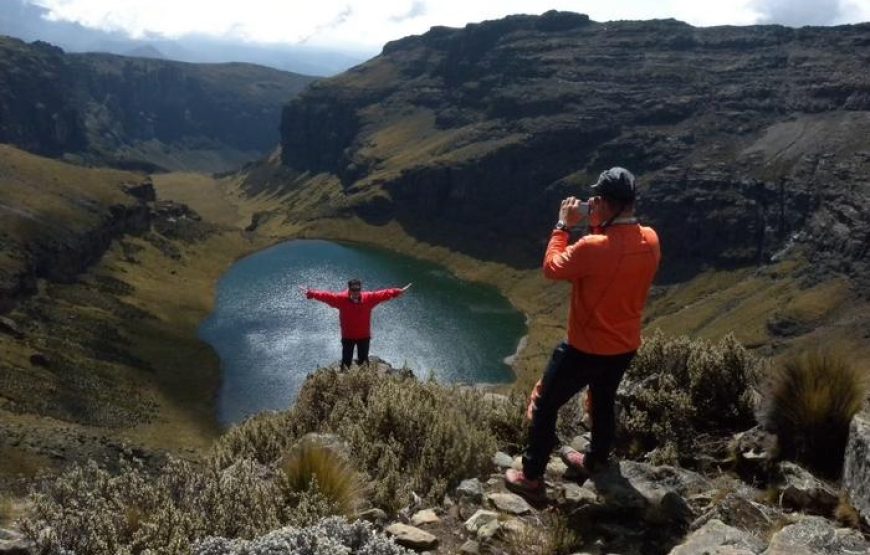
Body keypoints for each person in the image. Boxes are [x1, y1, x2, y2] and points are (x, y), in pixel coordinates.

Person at [505, 167, 661, 499]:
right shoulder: (651, 239)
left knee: (545, 405)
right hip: (624, 345)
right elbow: (613, 252)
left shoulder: (591, 246)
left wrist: (563, 225)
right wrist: (596, 223)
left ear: (604, 202)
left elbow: (552, 268)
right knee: (603, 401)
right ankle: (595, 461)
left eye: (597, 201)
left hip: (585, 348)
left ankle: (531, 477)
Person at [300, 278, 412, 368]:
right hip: (348, 337)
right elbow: (326, 296)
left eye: (357, 289)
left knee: (363, 363)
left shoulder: (368, 298)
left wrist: (397, 292)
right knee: (346, 363)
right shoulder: (341, 299)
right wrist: (311, 294)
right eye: (353, 290)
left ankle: (364, 386)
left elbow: (383, 294)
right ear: (349, 289)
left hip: (364, 337)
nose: (355, 292)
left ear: (360, 289)